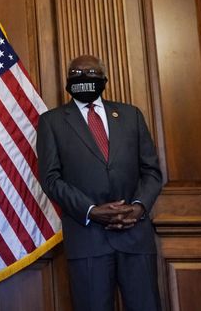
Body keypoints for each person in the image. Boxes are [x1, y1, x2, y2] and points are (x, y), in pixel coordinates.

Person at [37, 55, 163, 311]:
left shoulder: (131, 115)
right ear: (68, 81)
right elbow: (51, 179)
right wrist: (91, 211)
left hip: (135, 235)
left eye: (91, 73)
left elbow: (151, 171)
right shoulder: (51, 122)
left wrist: (138, 208)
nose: (84, 77)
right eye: (77, 73)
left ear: (104, 79)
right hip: (87, 240)